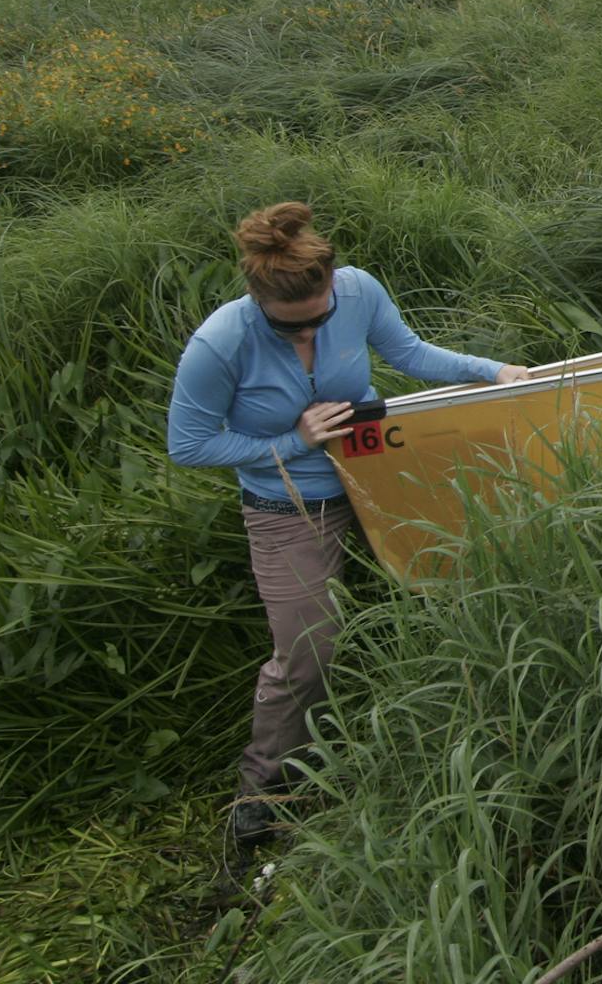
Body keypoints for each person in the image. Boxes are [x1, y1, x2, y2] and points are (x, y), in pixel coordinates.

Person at [166, 201, 527, 850]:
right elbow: (189, 445)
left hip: (379, 475)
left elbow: (409, 352)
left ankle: (485, 728)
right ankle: (263, 789)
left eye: (322, 319)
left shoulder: (357, 291)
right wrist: (293, 441)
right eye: (292, 329)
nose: (311, 334)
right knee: (308, 654)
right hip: (289, 506)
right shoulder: (220, 343)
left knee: (468, 579)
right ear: (259, 301)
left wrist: (489, 372)